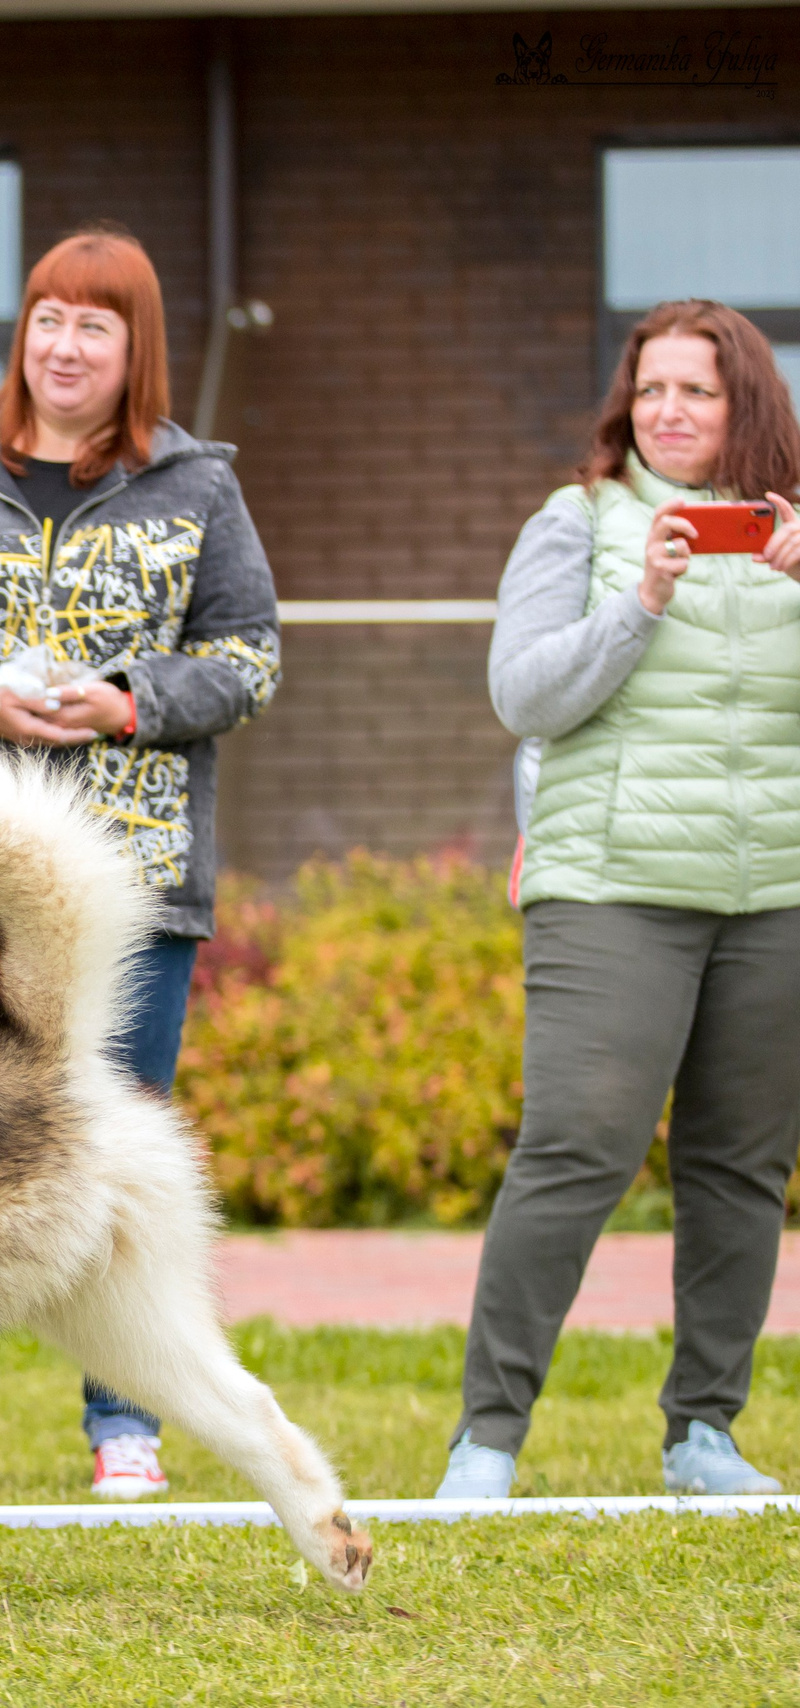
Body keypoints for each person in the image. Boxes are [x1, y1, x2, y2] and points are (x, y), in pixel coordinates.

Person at [0, 227, 281, 1501]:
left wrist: (131, 699)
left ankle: (123, 1421)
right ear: (20, 333)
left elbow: (250, 657)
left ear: (136, 348)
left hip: (131, 874)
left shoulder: (198, 486)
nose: (65, 344)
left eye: (96, 323)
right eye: (47, 318)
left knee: (114, 1147)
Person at [437, 300, 800, 1501]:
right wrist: (637, 601)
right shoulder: (579, 522)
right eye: (651, 391)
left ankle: (702, 1434)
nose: (669, 411)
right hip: (611, 887)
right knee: (573, 1151)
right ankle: (485, 1438)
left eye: (697, 390)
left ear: (743, 401)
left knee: (740, 1168)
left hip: (776, 895)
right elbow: (523, 696)